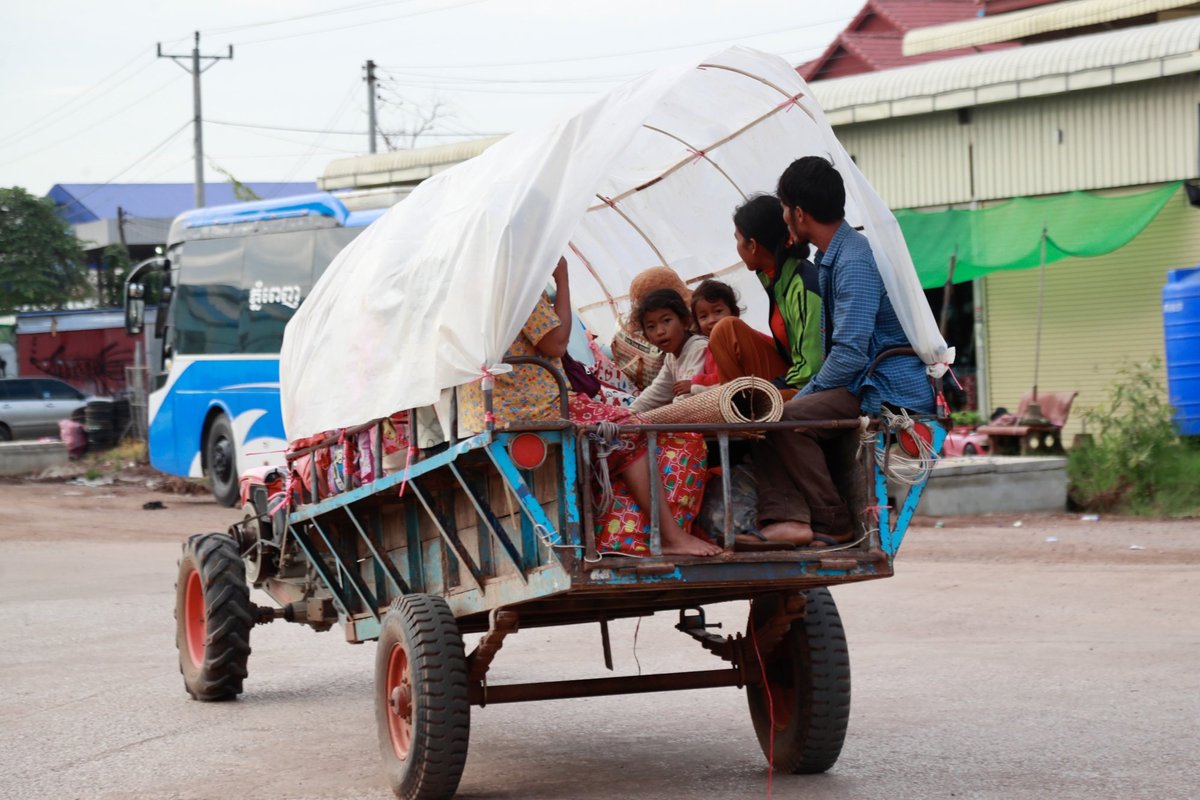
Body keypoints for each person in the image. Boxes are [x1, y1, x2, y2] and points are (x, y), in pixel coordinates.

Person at [462, 257, 721, 557]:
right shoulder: (516, 290)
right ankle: (672, 536)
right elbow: (558, 344)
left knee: (622, 422)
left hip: (488, 410)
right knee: (629, 429)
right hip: (535, 405)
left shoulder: (469, 296)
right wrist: (563, 279)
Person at [757, 156, 934, 547]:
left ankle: (833, 521)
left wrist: (804, 395)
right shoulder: (834, 256)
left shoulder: (852, 260)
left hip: (884, 387)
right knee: (774, 416)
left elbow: (850, 355)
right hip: (862, 380)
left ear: (799, 213)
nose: (784, 218)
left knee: (784, 419)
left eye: (785, 209)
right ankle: (787, 517)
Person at [707, 194, 823, 396]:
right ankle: (738, 407)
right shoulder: (777, 279)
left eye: (738, 239)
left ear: (752, 245)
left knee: (753, 403)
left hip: (811, 388)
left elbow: (810, 369)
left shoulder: (804, 286)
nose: (737, 247)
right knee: (726, 331)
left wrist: (765, 390)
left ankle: (744, 413)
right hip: (790, 377)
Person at [627, 289, 708, 412]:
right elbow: (656, 392)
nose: (660, 331)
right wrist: (627, 414)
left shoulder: (698, 348)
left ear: (685, 321)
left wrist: (656, 418)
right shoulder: (671, 358)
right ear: (647, 337)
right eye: (651, 327)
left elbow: (688, 399)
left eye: (666, 320)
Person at [688, 278, 761, 390]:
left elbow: (730, 379)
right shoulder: (709, 350)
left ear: (734, 313)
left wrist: (696, 382)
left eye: (718, 311)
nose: (711, 320)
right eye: (703, 317)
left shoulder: (741, 338)